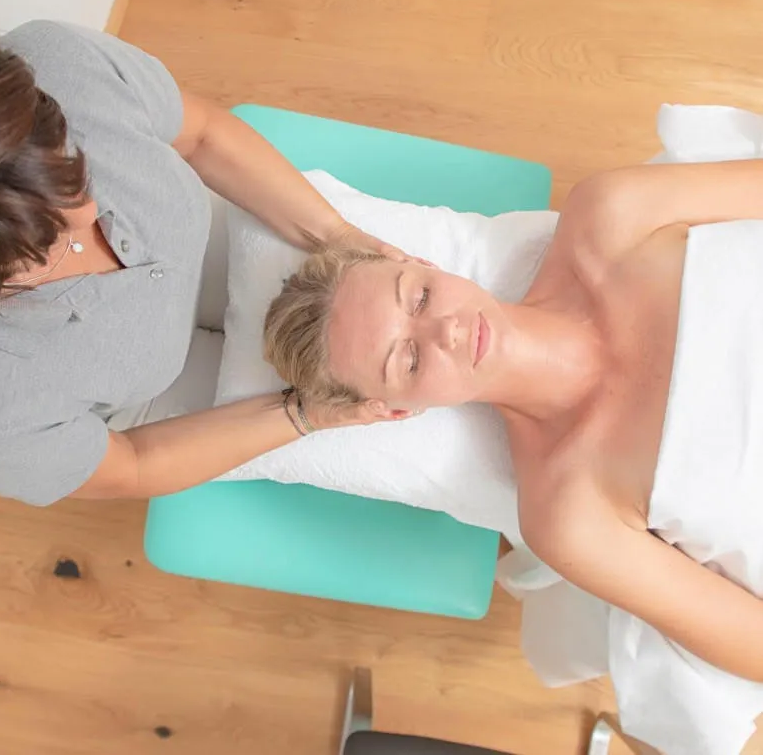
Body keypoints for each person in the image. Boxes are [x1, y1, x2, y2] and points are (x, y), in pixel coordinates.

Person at [262, 158, 763, 690]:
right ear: (396, 410)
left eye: (420, 297)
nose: (446, 332)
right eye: (408, 360)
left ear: (423, 263)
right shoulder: (570, 512)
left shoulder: (611, 216)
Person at [0, 0, 405, 507]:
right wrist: (304, 416)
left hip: (200, 249)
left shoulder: (59, 63)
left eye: (69, 168)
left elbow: (202, 135)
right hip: (149, 401)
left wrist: (335, 233)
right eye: (41, 240)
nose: (88, 212)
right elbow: (133, 464)